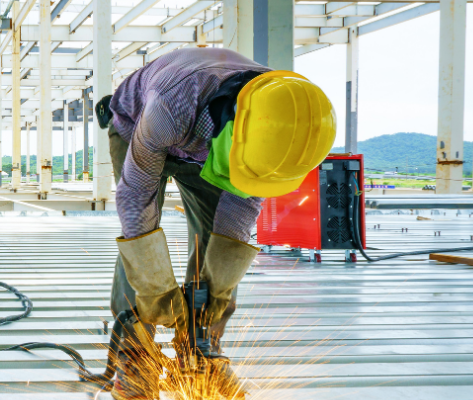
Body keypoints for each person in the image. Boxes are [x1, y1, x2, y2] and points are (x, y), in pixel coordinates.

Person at [95, 47, 336, 399]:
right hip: (138, 130)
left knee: (215, 245)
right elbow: (137, 199)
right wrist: (155, 288)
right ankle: (136, 354)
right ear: (231, 131)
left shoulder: (277, 134)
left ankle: (201, 348)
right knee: (140, 243)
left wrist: (217, 293)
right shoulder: (171, 104)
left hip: (215, 142)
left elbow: (235, 220)